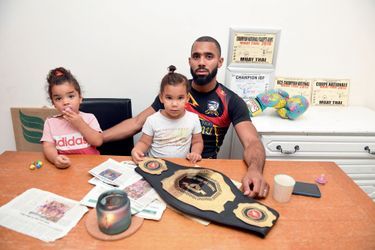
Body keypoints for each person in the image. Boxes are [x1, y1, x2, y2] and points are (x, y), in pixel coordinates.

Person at [104, 36, 269, 198]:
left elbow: (252, 142)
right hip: (163, 169)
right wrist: (99, 137)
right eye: (196, 56)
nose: (202, 62)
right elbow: (137, 122)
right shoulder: (174, 92)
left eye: (209, 56)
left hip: (203, 173)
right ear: (190, 61)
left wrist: (254, 169)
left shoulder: (231, 100)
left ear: (220, 62)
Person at [131, 65, 203, 164]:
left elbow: (197, 142)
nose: (174, 104)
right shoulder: (152, 120)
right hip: (156, 165)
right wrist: (137, 150)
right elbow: (144, 142)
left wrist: (195, 152)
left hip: (181, 165)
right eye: (169, 98)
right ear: (161, 98)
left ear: (187, 98)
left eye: (180, 98)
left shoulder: (193, 119)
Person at [41, 67, 103, 169]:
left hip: (91, 166)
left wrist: (80, 123)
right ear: (53, 103)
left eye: (70, 96)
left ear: (80, 98)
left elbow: (98, 141)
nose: (65, 102)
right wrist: (55, 158)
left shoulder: (89, 118)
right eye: (58, 98)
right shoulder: (50, 122)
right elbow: (48, 147)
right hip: (66, 167)